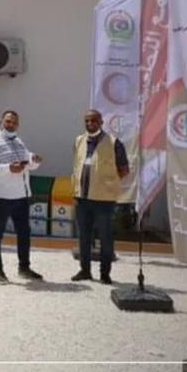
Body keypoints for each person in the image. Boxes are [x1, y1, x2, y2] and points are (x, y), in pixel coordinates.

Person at [0, 110, 43, 283]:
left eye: (14, 122)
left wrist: (34, 161)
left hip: (21, 195)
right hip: (2, 195)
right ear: (1, 122)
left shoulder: (19, 142)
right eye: (8, 121)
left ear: (18, 124)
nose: (11, 124)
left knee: (24, 233)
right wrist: (8, 168)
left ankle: (24, 268)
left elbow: (26, 163)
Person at [70, 109, 131, 284]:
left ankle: (105, 274)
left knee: (105, 237)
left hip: (104, 200)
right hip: (82, 198)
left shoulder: (113, 142)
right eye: (87, 121)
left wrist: (107, 183)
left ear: (101, 122)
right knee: (84, 236)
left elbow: (124, 169)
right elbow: (76, 167)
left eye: (94, 121)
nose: (90, 124)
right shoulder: (79, 141)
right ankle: (85, 271)